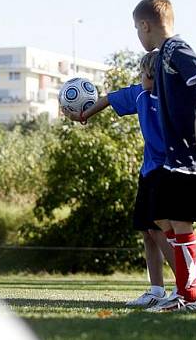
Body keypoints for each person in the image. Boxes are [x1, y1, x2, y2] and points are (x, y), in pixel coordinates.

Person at [133, 0, 196, 312]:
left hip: (194, 157)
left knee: (179, 223)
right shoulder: (160, 59)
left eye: (137, 28)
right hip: (179, 158)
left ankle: (187, 298)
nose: (138, 34)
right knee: (161, 217)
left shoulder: (174, 48)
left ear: (145, 25)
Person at [63, 50, 176, 307]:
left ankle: (184, 286)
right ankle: (156, 289)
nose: (140, 77)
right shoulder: (138, 93)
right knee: (148, 232)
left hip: (167, 171)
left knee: (160, 231)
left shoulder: (173, 98)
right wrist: (82, 116)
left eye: (143, 74)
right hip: (148, 172)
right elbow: (107, 100)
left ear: (154, 75)